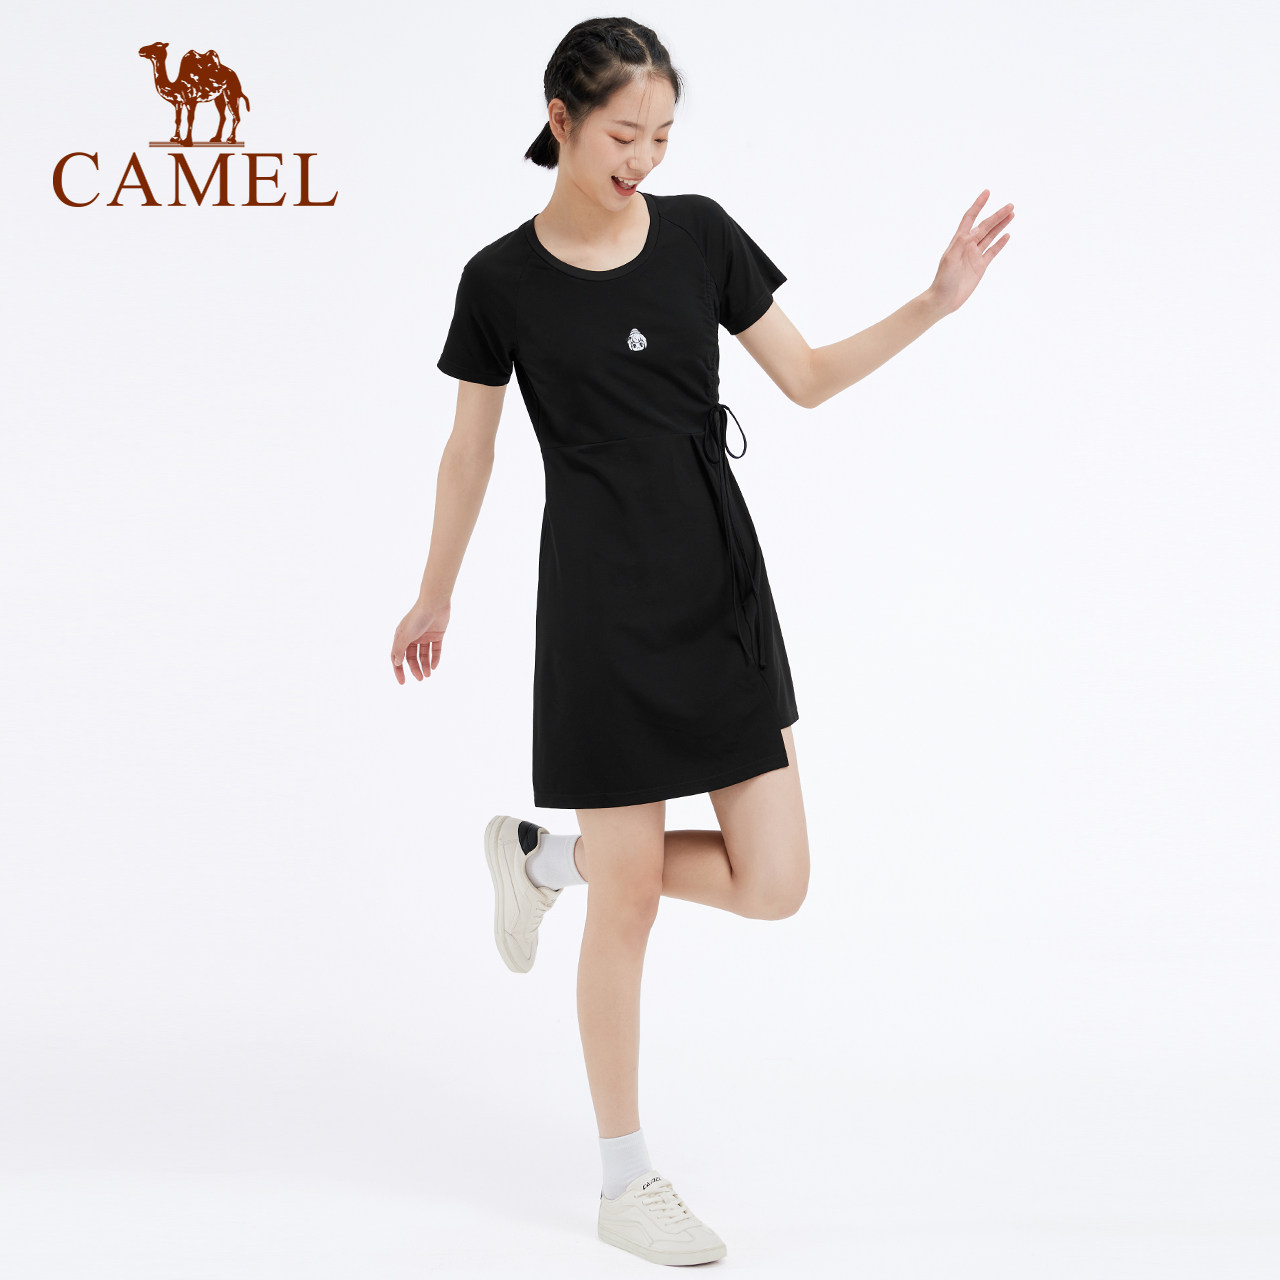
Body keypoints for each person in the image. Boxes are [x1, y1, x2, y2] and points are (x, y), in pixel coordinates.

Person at [390, 17, 1012, 1267]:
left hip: (717, 588)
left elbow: (807, 376)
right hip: (599, 610)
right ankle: (624, 1178)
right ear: (560, 119)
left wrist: (934, 303)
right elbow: (469, 451)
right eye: (623, 133)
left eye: (663, 135)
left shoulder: (700, 236)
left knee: (773, 878)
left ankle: (544, 860)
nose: (643, 158)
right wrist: (433, 590)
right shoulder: (498, 280)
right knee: (630, 901)